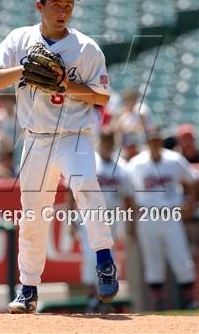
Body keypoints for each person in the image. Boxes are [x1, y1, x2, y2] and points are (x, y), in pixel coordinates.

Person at [0, 0, 119, 314]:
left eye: (68, 5)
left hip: (74, 135)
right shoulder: (19, 39)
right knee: (32, 217)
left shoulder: (86, 48)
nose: (63, 10)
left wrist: (68, 84)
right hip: (35, 141)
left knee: (86, 185)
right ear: (39, 6)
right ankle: (28, 289)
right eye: (56, 4)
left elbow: (102, 95)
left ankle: (104, 259)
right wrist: (23, 69)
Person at [126, 127, 197, 310]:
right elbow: (129, 195)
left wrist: (191, 203)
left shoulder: (174, 159)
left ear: (161, 140)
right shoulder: (136, 163)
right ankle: (159, 303)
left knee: (181, 257)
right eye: (151, 140)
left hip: (171, 215)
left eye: (157, 139)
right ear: (146, 142)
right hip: (147, 217)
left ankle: (189, 301)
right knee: (153, 261)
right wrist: (131, 223)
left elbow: (192, 180)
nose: (155, 143)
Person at [71, 130, 135, 313]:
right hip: (89, 217)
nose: (107, 143)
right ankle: (93, 299)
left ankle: (103, 300)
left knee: (110, 258)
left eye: (110, 140)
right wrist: (70, 218)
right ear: (99, 141)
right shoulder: (91, 162)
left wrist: (130, 223)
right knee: (92, 258)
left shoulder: (121, 166)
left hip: (113, 219)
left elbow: (129, 197)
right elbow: (72, 190)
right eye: (104, 140)